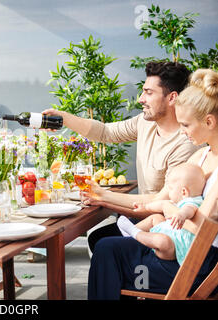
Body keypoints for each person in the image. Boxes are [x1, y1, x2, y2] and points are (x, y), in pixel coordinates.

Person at [86, 68, 218, 299]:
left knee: (109, 256)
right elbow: (160, 199)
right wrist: (102, 195)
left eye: (185, 125)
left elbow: (200, 230)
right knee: (108, 246)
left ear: (209, 121)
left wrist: (167, 209)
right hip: (179, 251)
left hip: (195, 266)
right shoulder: (201, 157)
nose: (183, 132)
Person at [43, 61, 199, 252]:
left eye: (149, 93)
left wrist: (103, 195)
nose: (141, 98)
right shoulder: (146, 122)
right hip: (142, 214)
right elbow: (105, 132)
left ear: (172, 98)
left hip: (166, 228)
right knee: (98, 237)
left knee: (100, 241)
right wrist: (64, 118)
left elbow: (161, 200)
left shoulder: (186, 145)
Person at [117, 162, 205, 265]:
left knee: (163, 241)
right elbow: (159, 205)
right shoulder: (179, 202)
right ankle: (129, 234)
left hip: (174, 248)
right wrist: (144, 207)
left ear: (184, 192)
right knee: (156, 217)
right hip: (170, 233)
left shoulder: (194, 202)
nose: (169, 192)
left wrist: (181, 214)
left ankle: (136, 233)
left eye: (171, 189)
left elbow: (189, 210)